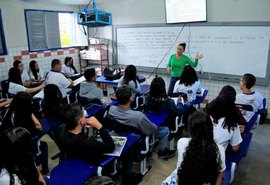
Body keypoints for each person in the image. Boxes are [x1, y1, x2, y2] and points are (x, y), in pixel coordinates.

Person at [108, 85, 175, 159]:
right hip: (138, 140)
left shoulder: (111, 109)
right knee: (165, 130)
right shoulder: (138, 116)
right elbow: (152, 130)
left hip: (121, 136)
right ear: (131, 98)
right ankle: (162, 152)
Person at [1, 92, 49, 175]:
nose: (31, 103)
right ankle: (45, 172)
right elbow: (39, 126)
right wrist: (30, 112)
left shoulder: (10, 110)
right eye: (30, 102)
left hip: (6, 144)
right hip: (16, 147)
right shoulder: (22, 120)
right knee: (43, 145)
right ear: (25, 105)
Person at [176, 112, 225, 185]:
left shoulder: (181, 142)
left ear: (190, 130)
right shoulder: (219, 149)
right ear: (211, 128)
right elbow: (220, 174)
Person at [205, 85, 243, 151]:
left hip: (198, 153)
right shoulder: (232, 125)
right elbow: (235, 148)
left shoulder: (206, 114)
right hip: (216, 158)